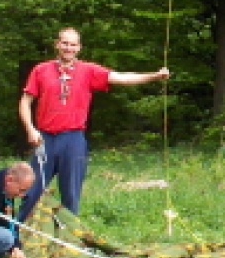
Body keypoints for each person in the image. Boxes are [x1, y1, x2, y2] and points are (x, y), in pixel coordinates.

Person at [16, 27, 169, 221]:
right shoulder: (41, 70)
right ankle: (17, 237)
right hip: (44, 139)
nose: (68, 48)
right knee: (32, 189)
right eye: (64, 43)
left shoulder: (88, 71)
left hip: (73, 139)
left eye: (73, 44)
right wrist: (30, 129)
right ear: (57, 44)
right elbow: (25, 101)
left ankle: (70, 239)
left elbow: (121, 78)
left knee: (71, 193)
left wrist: (155, 76)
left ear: (79, 48)